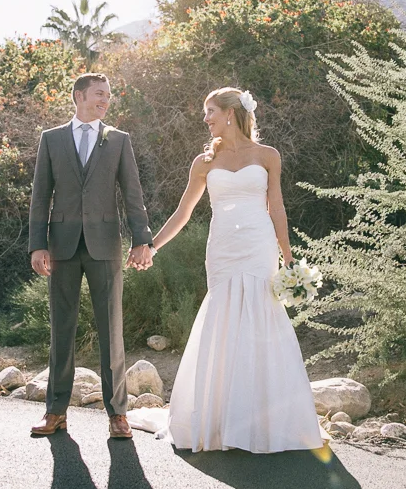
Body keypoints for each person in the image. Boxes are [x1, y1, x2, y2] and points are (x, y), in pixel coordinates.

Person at [129, 87, 326, 452]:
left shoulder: (268, 156)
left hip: (258, 246)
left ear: (231, 114)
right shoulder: (203, 162)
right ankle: (221, 421)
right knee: (224, 320)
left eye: (210, 112)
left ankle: (268, 423)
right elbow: (183, 213)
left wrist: (288, 255)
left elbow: (276, 207)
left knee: (261, 318)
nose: (205, 119)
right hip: (222, 249)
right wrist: (152, 245)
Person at [28, 73, 154, 439]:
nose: (106, 100)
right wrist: (38, 243)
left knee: (111, 330)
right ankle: (55, 411)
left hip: (105, 245)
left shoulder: (118, 140)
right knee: (61, 330)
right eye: (100, 94)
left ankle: (117, 414)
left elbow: (133, 194)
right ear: (79, 96)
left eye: (109, 96)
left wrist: (141, 238)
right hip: (62, 245)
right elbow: (40, 196)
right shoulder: (51, 139)